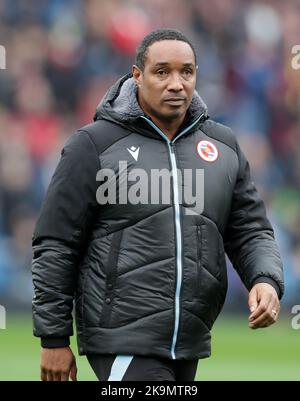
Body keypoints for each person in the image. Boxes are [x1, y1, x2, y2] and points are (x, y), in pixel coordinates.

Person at [31, 29, 284, 381]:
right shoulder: (93, 144)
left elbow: (251, 230)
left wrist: (265, 279)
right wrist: (54, 338)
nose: (177, 83)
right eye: (162, 72)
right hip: (120, 337)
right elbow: (57, 243)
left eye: (187, 72)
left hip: (189, 341)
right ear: (137, 77)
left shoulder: (222, 147)